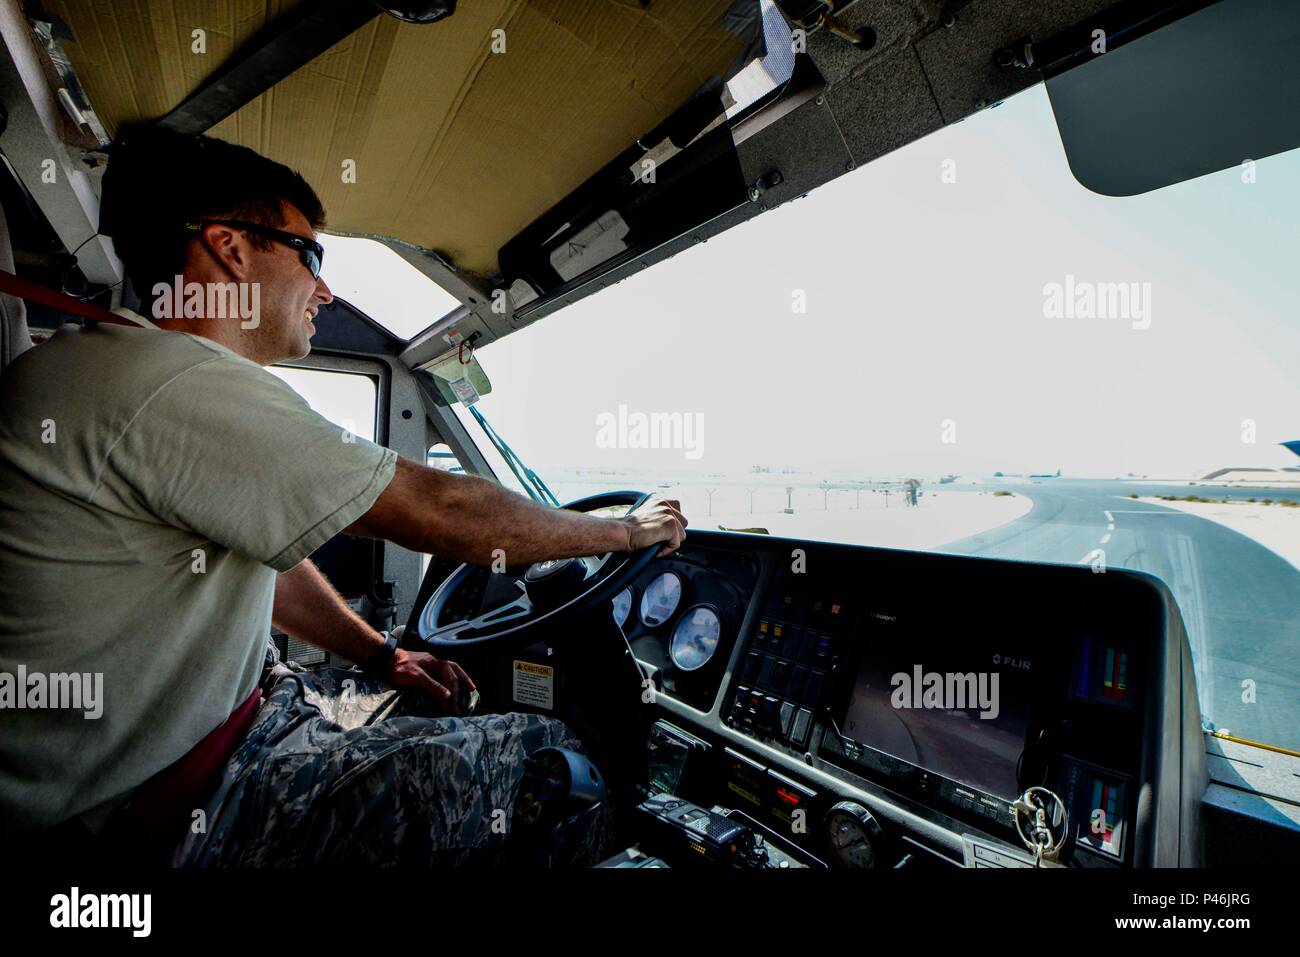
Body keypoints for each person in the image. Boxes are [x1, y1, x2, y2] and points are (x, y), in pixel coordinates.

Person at [0, 126, 687, 864]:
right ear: (231, 249)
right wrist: (623, 532)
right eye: (311, 255)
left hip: (199, 745)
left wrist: (385, 654)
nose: (324, 288)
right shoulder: (173, 383)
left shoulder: (112, 369)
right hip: (160, 812)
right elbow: (440, 509)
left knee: (425, 702)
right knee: (548, 758)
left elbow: (265, 561)